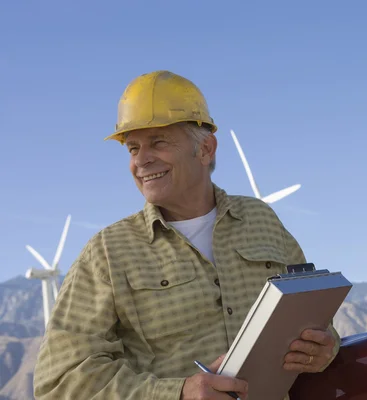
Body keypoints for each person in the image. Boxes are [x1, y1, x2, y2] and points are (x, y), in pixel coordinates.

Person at [33, 70, 341, 400]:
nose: (141, 160)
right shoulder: (107, 253)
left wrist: (326, 348)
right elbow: (59, 381)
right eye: (132, 148)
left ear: (206, 149)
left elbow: (317, 321)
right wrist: (178, 393)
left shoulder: (262, 220)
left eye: (158, 142)